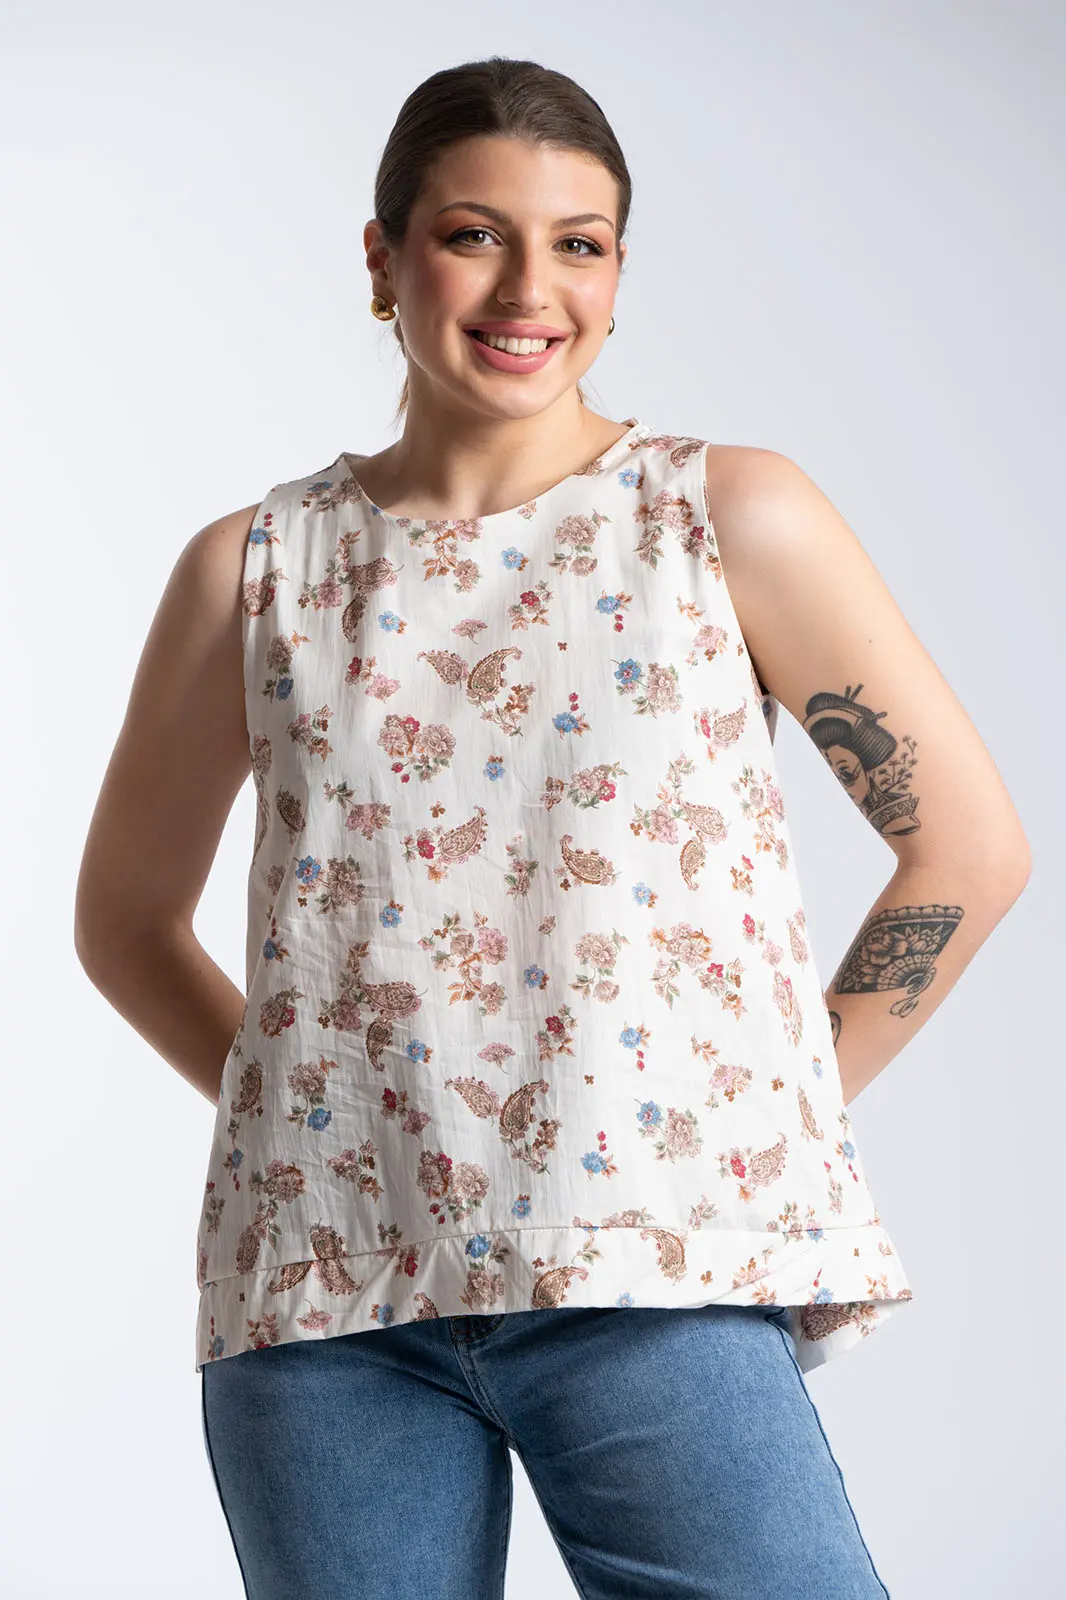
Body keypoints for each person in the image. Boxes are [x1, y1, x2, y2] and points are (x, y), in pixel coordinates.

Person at [74, 54, 1030, 1600]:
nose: (531, 289)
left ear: (617, 272)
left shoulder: (723, 516)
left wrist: (753, 1114)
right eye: (474, 235)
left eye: (577, 244)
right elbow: (123, 922)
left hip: (648, 1270)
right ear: (382, 257)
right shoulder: (253, 570)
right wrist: (328, 1128)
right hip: (325, 1310)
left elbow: (966, 852)